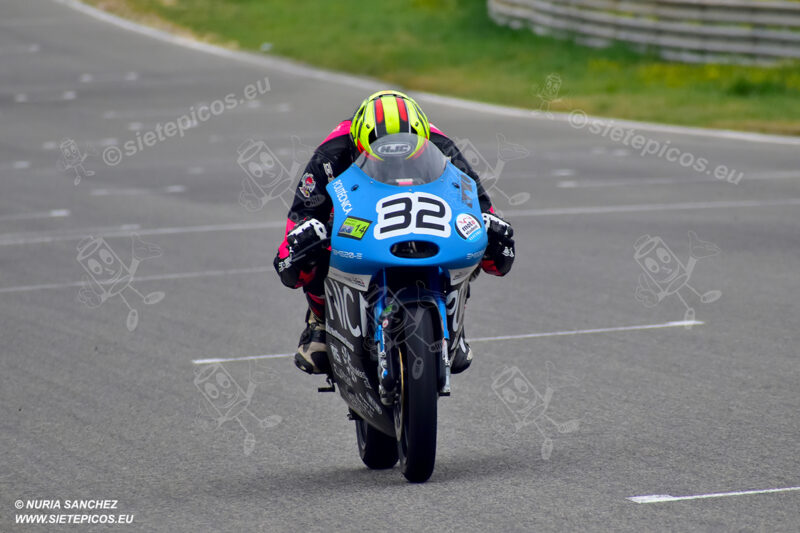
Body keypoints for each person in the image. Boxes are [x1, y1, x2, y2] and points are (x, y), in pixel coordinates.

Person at [273, 90, 515, 376]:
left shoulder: (443, 148)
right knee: (309, 246)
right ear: (358, 145)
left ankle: (454, 321)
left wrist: (493, 231)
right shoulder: (330, 154)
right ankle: (320, 322)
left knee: (474, 236)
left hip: (424, 219)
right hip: (360, 219)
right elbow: (299, 222)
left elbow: (477, 205)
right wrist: (304, 241)